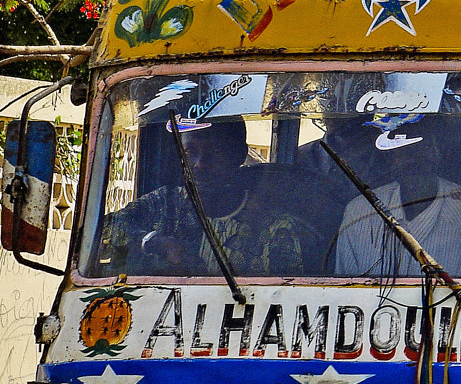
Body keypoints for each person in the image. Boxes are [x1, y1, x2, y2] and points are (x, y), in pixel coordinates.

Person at [92, 118, 322, 277]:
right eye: (190, 152)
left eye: (215, 152)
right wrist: (152, 241)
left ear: (239, 155)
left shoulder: (277, 229)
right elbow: (102, 229)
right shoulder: (165, 202)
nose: (200, 165)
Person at [331, 116, 461, 279]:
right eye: (403, 151)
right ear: (390, 159)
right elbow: (345, 291)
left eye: (423, 148)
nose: (413, 159)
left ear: (438, 154)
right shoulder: (360, 211)